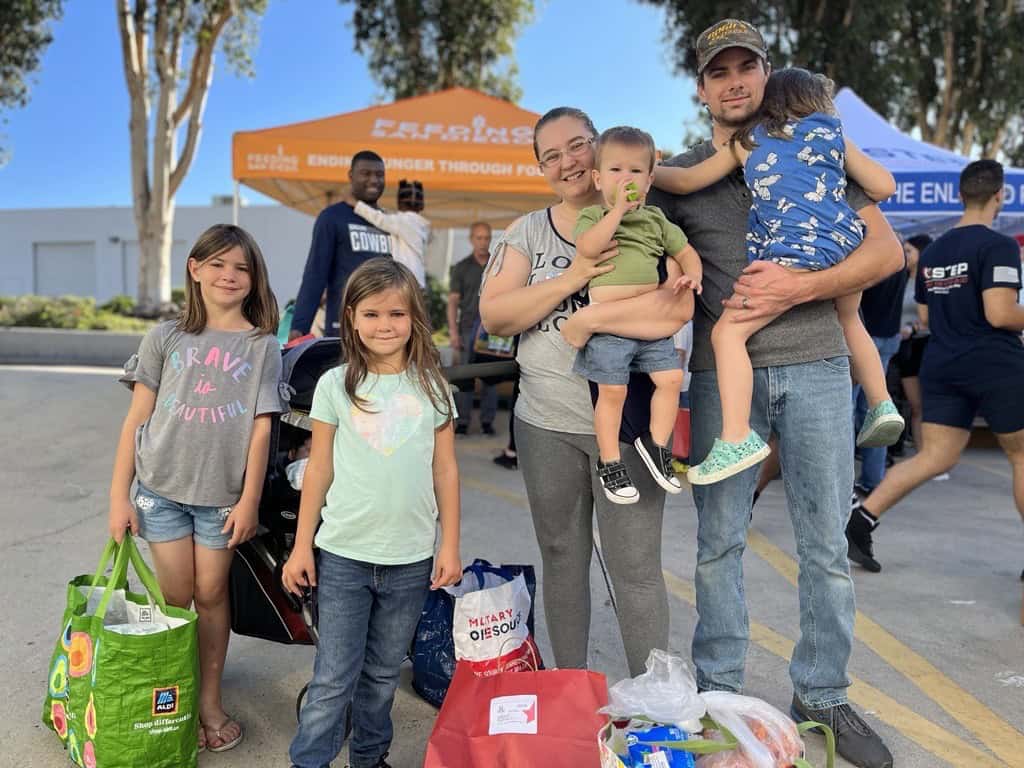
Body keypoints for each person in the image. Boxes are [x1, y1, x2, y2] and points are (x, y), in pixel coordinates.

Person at [632, 19, 902, 767]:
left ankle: (823, 694)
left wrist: (802, 286)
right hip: (726, 379)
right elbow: (636, 242)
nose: (734, 82)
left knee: (825, 548)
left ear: (765, 72)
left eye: (745, 66)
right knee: (718, 546)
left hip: (819, 365)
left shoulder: (812, 139)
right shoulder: (685, 174)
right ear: (702, 89)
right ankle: (720, 696)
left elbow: (884, 251)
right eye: (719, 72)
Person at [479, 107, 694, 677]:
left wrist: (587, 321)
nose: (567, 162)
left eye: (577, 146)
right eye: (551, 155)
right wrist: (575, 279)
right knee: (561, 557)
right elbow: (497, 316)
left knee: (636, 567)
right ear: (541, 167)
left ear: (598, 153)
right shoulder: (525, 232)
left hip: (630, 428)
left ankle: (654, 706)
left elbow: (677, 305)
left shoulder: (647, 219)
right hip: (546, 422)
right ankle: (570, 688)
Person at [653, 67, 903, 485]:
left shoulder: (750, 141)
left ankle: (736, 437)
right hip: (843, 247)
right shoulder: (832, 136)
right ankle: (881, 404)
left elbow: (686, 181)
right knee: (850, 319)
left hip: (792, 253)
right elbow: (884, 186)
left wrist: (648, 170)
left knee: (726, 335)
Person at [108, 224, 285, 753]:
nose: (229, 276)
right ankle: (173, 692)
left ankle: (208, 699)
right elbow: (136, 418)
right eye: (218, 264)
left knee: (211, 596)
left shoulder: (262, 346)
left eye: (242, 268)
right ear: (195, 269)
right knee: (175, 596)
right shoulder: (165, 337)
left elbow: (261, 428)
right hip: (160, 489)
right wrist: (119, 496)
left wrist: (250, 498)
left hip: (222, 500)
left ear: (254, 280)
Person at [282, 258, 461, 768]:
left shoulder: (433, 389)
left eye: (397, 314)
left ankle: (368, 757)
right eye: (373, 314)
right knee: (334, 674)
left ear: (414, 319)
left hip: (409, 560)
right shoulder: (334, 386)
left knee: (383, 673)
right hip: (342, 555)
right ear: (352, 320)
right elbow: (317, 471)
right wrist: (301, 548)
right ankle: (309, 761)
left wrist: (448, 544)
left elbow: (445, 470)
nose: (386, 325)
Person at [848, 160, 1024, 577]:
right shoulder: (999, 246)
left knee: (936, 456)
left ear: (960, 196)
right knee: (1021, 455)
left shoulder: (934, 253)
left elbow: (925, 319)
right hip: (994, 362)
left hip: (942, 364)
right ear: (999, 196)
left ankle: (861, 519)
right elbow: (1000, 314)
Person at [573, 126, 701, 503]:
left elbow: (685, 251)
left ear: (648, 180)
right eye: (614, 171)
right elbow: (589, 247)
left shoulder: (657, 220)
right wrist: (616, 213)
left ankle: (657, 447)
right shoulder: (594, 215)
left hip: (648, 325)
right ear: (598, 179)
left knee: (671, 379)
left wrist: (692, 273)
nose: (625, 179)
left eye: (634, 172)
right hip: (609, 325)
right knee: (612, 390)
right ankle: (610, 461)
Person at [290, 150, 392, 340]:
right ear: (351, 176)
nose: (374, 180)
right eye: (366, 174)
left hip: (385, 328)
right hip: (344, 328)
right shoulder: (332, 217)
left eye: (379, 175)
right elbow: (315, 274)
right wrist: (299, 327)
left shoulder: (389, 222)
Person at [853, 237, 910, 496]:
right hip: (890, 336)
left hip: (862, 337)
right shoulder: (898, 253)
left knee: (847, 410)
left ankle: (843, 485)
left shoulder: (866, 250)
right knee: (876, 408)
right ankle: (873, 479)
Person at [448, 222, 498, 435]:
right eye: (479, 238)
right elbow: (452, 302)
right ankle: (463, 422)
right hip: (467, 329)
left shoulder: (498, 265)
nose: (483, 242)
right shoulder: (462, 267)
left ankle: (487, 422)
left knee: (491, 377)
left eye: (486, 238)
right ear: (471, 239)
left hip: (493, 329)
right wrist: (452, 332)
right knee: (465, 378)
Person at [891, 234, 934, 456]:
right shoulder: (902, 278)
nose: (905, 255)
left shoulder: (928, 281)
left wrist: (914, 328)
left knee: (922, 406)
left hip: (923, 345)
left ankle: (928, 454)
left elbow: (932, 316)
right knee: (914, 405)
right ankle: (921, 454)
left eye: (909, 251)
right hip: (902, 347)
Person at [353, 179, 432, 289]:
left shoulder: (405, 221)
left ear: (399, 203)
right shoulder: (419, 225)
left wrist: (357, 205)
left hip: (406, 281)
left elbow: (380, 219)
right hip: (416, 281)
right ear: (422, 205)